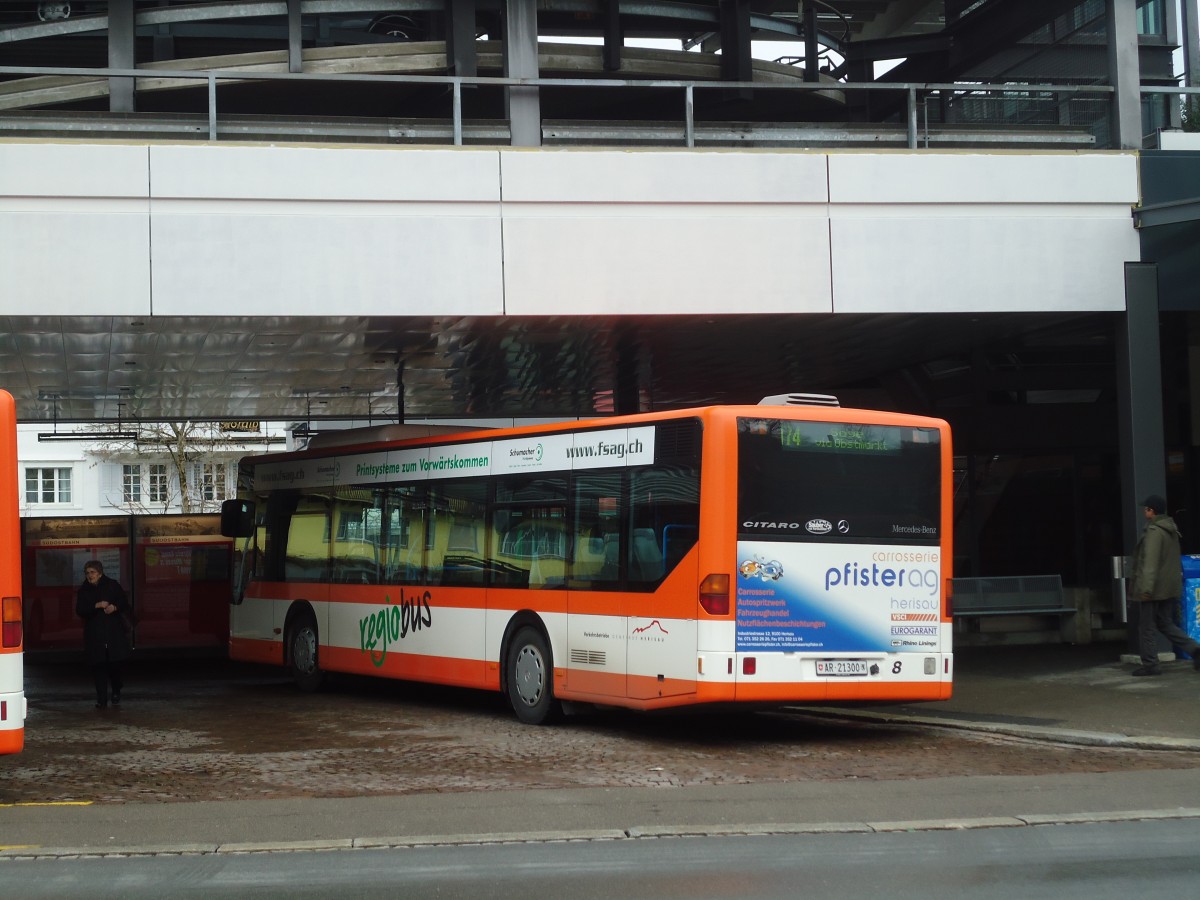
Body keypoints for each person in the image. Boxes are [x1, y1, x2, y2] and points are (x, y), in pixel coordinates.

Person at [1129, 495, 1200, 677]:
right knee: (1165, 623)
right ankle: (1195, 650)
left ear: (1152, 511)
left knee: (1146, 627)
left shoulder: (1154, 531)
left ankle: (1151, 665)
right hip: (1168, 587)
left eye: (1146, 508)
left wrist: (1146, 589)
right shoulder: (1171, 529)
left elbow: (1150, 563)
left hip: (1153, 589)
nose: (1144, 511)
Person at [75, 560, 132, 708]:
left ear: (100, 573)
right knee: (98, 667)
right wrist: (96, 605)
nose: (89, 576)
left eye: (92, 572)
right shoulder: (84, 590)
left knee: (114, 666)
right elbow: (80, 610)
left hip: (113, 633)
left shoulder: (112, 585)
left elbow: (124, 602)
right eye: (87, 573)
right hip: (95, 635)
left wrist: (114, 607)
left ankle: (116, 689)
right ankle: (101, 699)